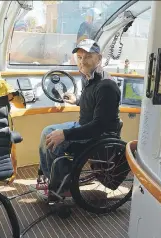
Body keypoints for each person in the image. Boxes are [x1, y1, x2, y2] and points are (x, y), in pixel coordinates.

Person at [31, 39, 121, 200]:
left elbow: (99, 125)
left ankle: (60, 187)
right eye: (79, 57)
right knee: (48, 133)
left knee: (53, 139)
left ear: (99, 59)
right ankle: (54, 178)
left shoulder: (106, 86)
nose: (82, 61)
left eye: (87, 56)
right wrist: (77, 100)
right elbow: (93, 103)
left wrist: (66, 134)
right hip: (85, 126)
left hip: (98, 136)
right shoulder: (89, 78)